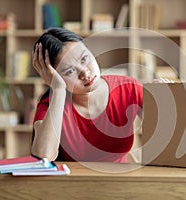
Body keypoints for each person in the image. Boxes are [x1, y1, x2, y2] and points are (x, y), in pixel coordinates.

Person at [31, 27, 143, 163]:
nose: (85, 74)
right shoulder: (50, 105)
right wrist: (58, 89)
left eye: (84, 58)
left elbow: (167, 131)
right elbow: (44, 156)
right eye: (70, 71)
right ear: (53, 76)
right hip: (77, 183)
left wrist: (162, 95)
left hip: (121, 180)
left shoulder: (128, 88)